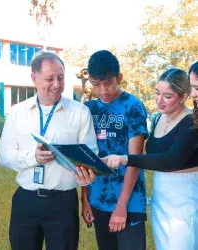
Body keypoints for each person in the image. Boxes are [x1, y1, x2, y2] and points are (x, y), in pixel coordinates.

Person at [0, 51, 98, 250]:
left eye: (60, 77)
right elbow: (4, 155)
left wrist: (88, 175)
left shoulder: (80, 112)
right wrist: (32, 158)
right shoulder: (18, 112)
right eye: (49, 79)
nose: (57, 84)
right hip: (26, 201)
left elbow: (90, 158)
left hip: (63, 203)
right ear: (34, 78)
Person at [103, 67, 198, 250]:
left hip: (184, 197)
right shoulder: (156, 119)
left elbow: (170, 160)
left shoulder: (191, 122)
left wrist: (126, 159)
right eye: (157, 93)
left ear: (183, 96)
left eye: (167, 96)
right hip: (160, 197)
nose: (159, 101)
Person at [81, 50, 149, 250]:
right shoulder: (89, 108)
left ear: (119, 78)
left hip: (129, 200)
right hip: (98, 198)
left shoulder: (133, 106)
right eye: (96, 84)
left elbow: (135, 160)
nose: (103, 90)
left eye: (108, 83)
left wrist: (121, 207)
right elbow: (85, 157)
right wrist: (84, 199)